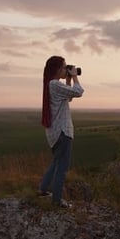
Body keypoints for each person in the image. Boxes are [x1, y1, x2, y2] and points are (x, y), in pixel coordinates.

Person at [39, 55, 84, 208]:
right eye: (64, 67)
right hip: (62, 132)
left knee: (56, 162)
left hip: (54, 132)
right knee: (62, 167)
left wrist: (69, 80)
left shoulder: (51, 85)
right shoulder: (54, 84)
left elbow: (69, 97)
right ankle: (57, 201)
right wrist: (75, 77)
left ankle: (43, 189)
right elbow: (79, 92)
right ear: (57, 69)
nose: (66, 70)